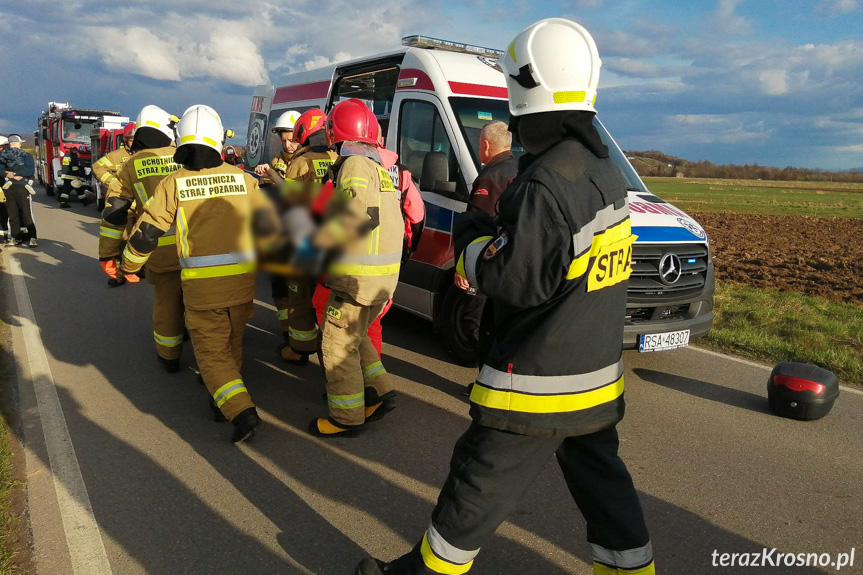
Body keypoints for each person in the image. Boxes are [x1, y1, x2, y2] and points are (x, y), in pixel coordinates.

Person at [356, 18, 653, 575]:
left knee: (475, 488)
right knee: (608, 498)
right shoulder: (604, 170)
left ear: (525, 88)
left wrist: (473, 236)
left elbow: (512, 278)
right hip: (594, 378)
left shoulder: (544, 184)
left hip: (535, 384)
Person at [119, 105, 281, 443]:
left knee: (211, 352)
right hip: (241, 285)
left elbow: (147, 233)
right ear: (219, 140)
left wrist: (128, 266)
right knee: (232, 341)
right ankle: (218, 395)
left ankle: (241, 411)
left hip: (202, 291)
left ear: (180, 142)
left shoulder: (172, 183)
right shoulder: (245, 179)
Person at [308, 99, 403, 437]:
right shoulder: (379, 167)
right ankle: (377, 391)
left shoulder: (353, 165)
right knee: (356, 337)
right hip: (381, 277)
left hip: (357, 275)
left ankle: (346, 418)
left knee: (336, 344)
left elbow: (357, 215)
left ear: (337, 133)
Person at [99, 105, 185, 372]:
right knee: (201, 302)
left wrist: (108, 254)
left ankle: (169, 356)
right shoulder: (186, 156)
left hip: (157, 248)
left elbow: (115, 213)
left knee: (167, 303)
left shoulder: (131, 164)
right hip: (198, 247)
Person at [276, 108, 338, 365]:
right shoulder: (338, 157)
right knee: (327, 301)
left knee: (299, 298)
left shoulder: (300, 162)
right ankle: (330, 353)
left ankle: (300, 349)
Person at [453, 120, 518, 363]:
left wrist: (464, 267)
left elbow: (477, 229)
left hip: (488, 265)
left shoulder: (490, 178)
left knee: (475, 321)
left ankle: (488, 378)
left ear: (486, 145)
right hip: (511, 265)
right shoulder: (520, 169)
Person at [1, 135, 38, 247]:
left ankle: (32, 237)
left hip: (21, 187)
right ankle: (16, 238)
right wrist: (11, 174)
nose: (20, 144)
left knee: (25, 214)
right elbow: (0, 170)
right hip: (11, 187)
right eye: (19, 143)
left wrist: (14, 174)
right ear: (13, 144)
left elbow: (30, 171)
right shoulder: (4, 157)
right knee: (13, 215)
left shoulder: (25, 156)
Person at [253, 110, 300, 183]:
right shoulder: (276, 162)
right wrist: (267, 175)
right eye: (284, 140)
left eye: (291, 140)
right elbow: (268, 191)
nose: (287, 146)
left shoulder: (307, 161)